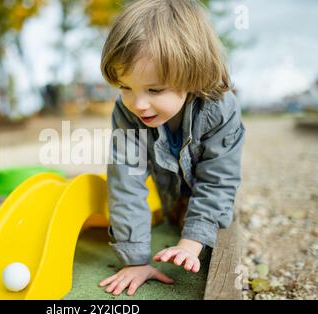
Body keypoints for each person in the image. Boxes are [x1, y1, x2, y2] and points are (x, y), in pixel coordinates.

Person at [98, 0, 245, 296]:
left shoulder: (221, 110)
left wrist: (191, 244)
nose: (138, 104)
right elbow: (126, 180)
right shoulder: (127, 112)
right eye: (125, 87)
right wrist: (135, 259)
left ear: (193, 74)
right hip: (167, 195)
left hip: (204, 192)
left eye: (154, 90)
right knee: (168, 213)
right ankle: (176, 211)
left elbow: (218, 180)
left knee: (210, 217)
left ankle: (190, 219)